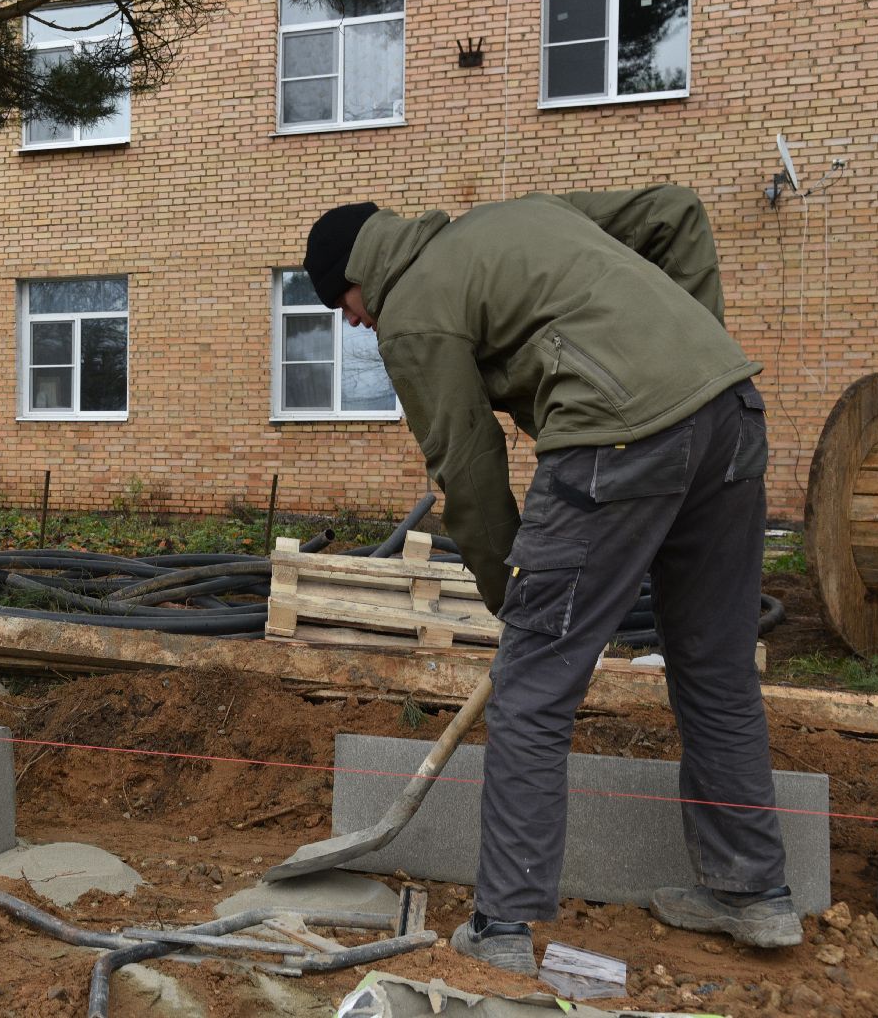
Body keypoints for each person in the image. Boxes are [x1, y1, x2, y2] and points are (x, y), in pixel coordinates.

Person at [302, 186, 799, 974]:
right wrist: (696, 348)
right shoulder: (520, 216)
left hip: (616, 439)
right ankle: (755, 894)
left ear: (360, 277)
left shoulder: (415, 312)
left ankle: (501, 929)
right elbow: (676, 212)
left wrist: (516, 600)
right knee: (716, 666)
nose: (353, 322)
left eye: (343, 304)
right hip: (730, 412)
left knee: (533, 687)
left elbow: (466, 467)